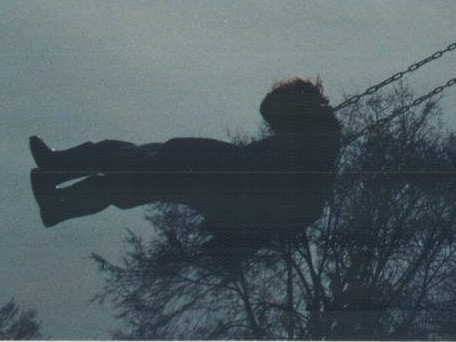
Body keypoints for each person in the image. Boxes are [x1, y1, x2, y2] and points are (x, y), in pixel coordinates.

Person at [29, 78, 342, 258]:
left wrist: (237, 241)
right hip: (212, 183)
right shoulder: (308, 149)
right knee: (128, 177)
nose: (274, 128)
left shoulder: (312, 147)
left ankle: (58, 175)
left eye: (276, 121)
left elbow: (291, 208)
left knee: (130, 164)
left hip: (213, 181)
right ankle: (60, 198)